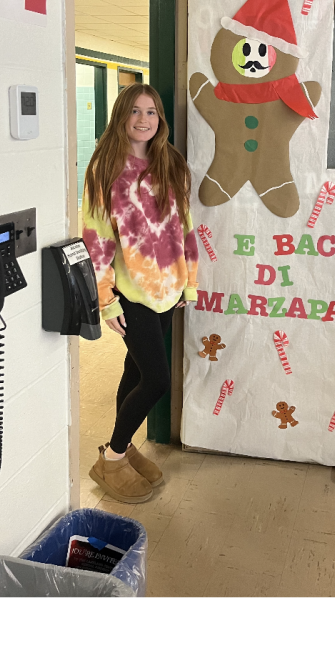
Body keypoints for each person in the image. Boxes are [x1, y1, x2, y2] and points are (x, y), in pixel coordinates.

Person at [82, 83, 198, 504]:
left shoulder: (172, 164)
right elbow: (96, 240)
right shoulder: (105, 170)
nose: (143, 119)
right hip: (130, 293)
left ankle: (124, 445)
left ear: (160, 119)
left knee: (135, 371)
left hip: (168, 290)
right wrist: (105, 300)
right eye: (135, 111)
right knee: (157, 380)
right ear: (121, 116)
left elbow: (185, 226)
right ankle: (111, 458)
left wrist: (189, 282)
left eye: (151, 112)